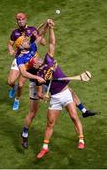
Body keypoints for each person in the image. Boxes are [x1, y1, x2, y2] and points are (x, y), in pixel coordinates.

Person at [19, 20, 96, 152]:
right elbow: (24, 73)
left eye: (26, 39)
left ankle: (83, 110)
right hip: (35, 79)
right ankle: (25, 134)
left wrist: (49, 26)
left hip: (44, 76)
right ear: (20, 46)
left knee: (65, 88)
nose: (26, 40)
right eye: (23, 41)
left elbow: (43, 36)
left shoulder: (32, 46)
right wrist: (38, 80)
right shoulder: (20, 59)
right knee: (33, 112)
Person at [8, 12, 46, 111]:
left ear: (26, 19)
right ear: (17, 21)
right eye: (18, 20)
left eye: (22, 19)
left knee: (21, 84)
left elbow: (43, 42)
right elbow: (10, 43)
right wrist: (11, 50)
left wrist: (36, 36)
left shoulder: (32, 30)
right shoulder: (15, 33)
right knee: (10, 82)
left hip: (30, 60)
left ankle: (17, 99)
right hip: (19, 58)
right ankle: (14, 87)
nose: (21, 21)